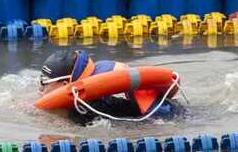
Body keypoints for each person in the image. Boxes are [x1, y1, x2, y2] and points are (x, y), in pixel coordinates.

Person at [38, 49, 183, 126]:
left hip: (168, 119)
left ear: (64, 85)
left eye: (44, 82)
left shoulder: (87, 110)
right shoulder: (90, 100)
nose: (40, 89)